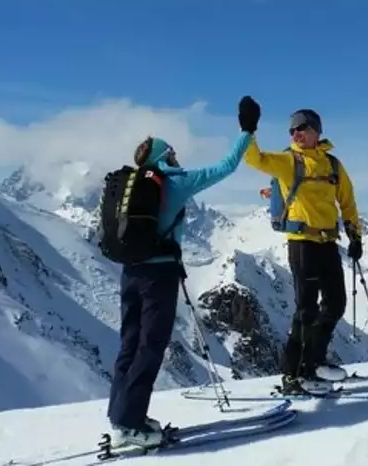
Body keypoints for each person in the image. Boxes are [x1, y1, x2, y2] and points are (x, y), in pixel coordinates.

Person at [106, 95, 261, 448]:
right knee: (151, 346)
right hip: (158, 276)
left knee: (129, 344)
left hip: (129, 272)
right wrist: (246, 130)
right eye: (171, 152)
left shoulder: (133, 189)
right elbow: (225, 167)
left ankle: (121, 415)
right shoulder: (175, 182)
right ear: (163, 157)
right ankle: (131, 424)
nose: (177, 156)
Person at [243, 107, 363, 394]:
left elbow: (347, 201)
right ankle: (293, 375)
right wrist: (247, 131)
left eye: (302, 128)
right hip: (301, 245)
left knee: (335, 303)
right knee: (306, 309)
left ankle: (315, 363)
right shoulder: (288, 161)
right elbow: (254, 159)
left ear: (316, 131)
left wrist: (355, 234)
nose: (296, 133)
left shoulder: (333, 165)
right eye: (292, 130)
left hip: (327, 243)